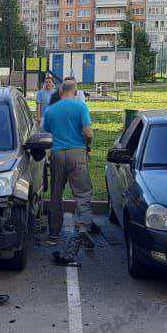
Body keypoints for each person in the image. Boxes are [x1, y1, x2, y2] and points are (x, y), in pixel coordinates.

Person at [42, 78, 94, 242]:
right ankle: (83, 227)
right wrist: (87, 146)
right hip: (77, 152)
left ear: (59, 92)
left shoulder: (50, 111)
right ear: (76, 91)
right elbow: (88, 133)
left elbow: (46, 135)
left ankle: (54, 232)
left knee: (56, 193)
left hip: (57, 154)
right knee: (82, 192)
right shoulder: (81, 106)